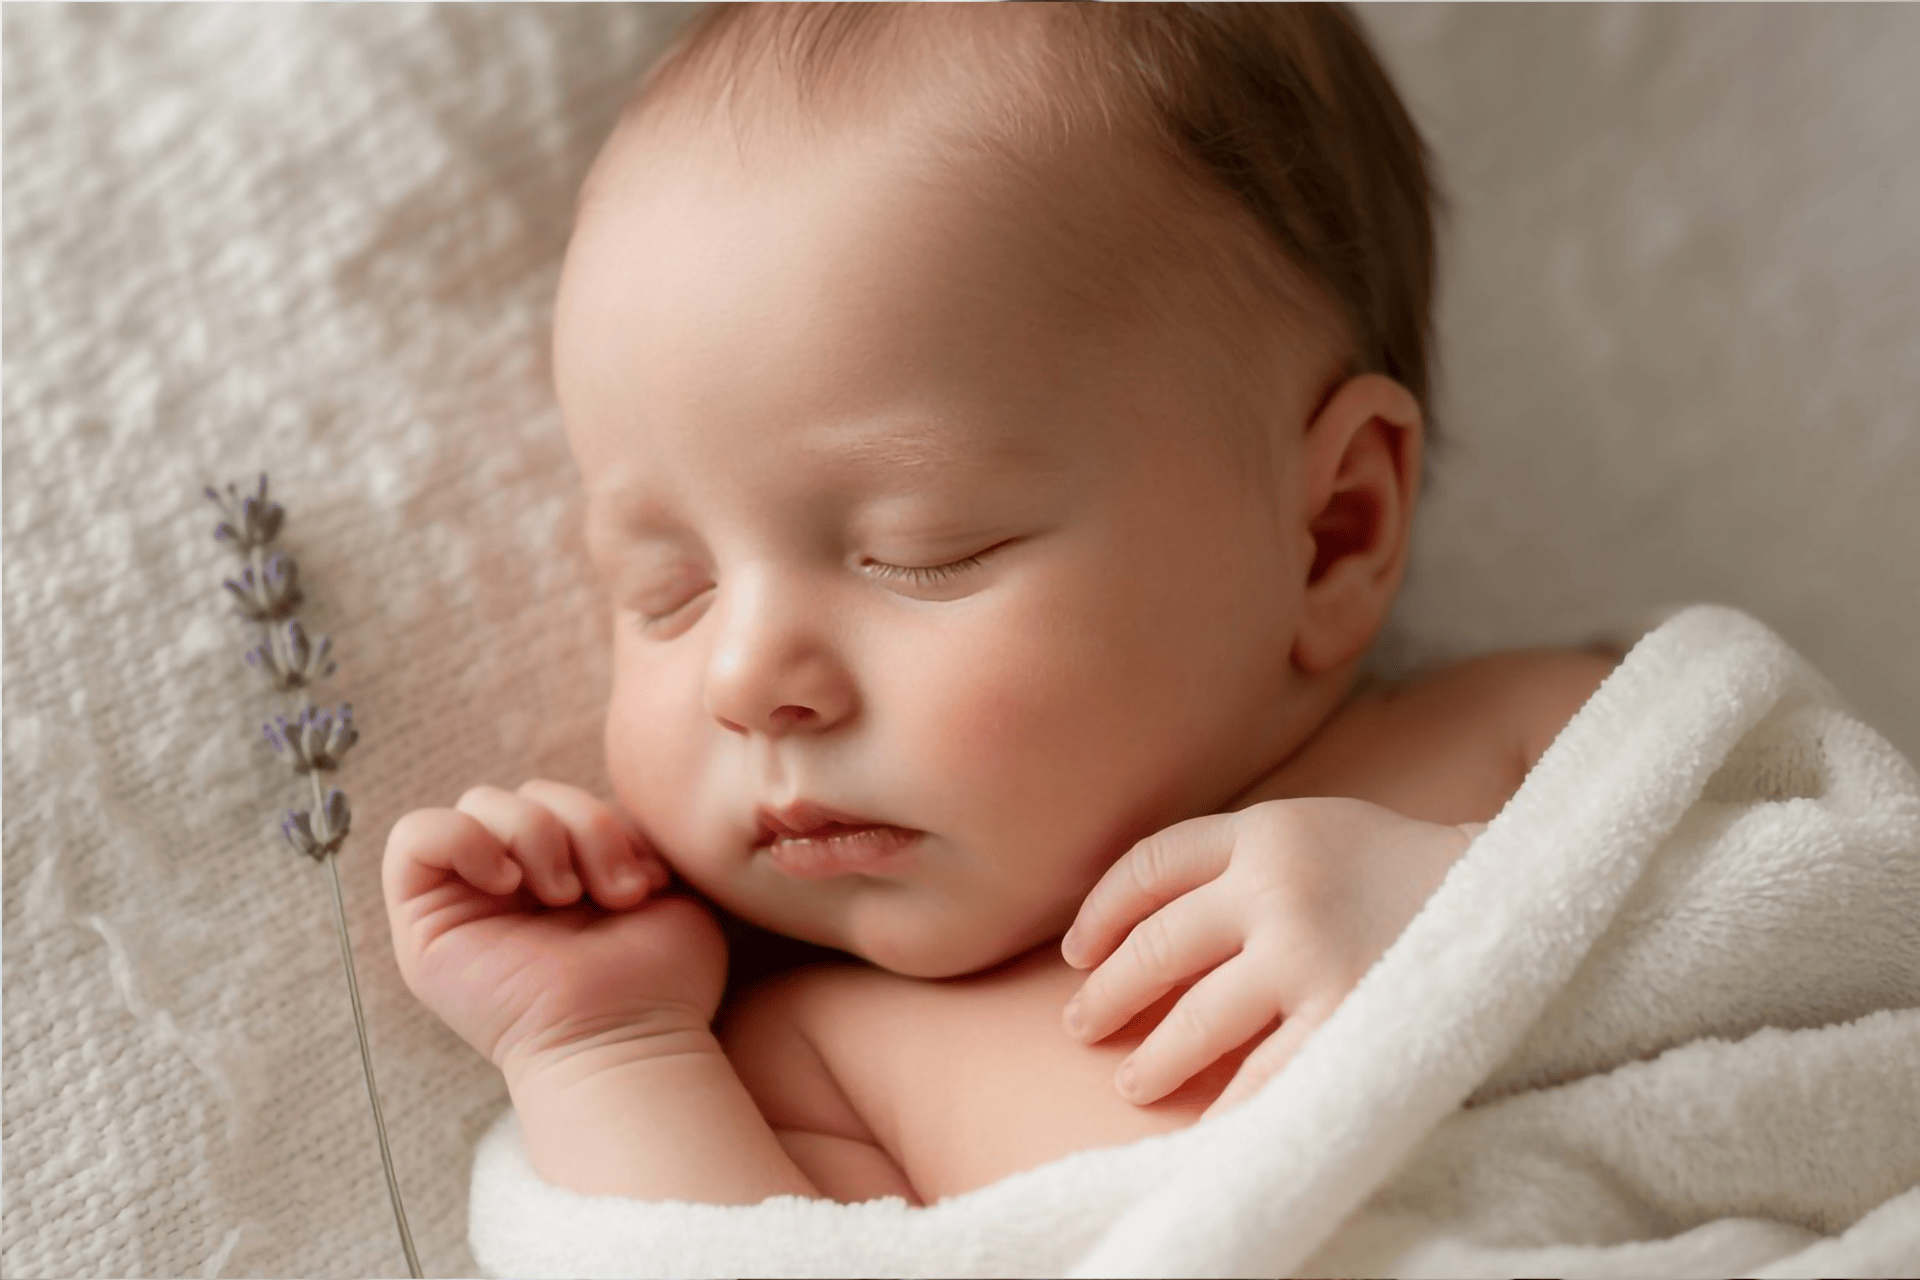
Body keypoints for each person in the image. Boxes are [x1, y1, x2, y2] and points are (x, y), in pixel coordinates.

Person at [383, 2, 1615, 1207]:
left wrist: (1474, 916)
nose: (745, 673)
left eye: (923, 549)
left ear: (1334, 532)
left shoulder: (1527, 751)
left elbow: (1798, 908)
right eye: (668, 590)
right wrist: (605, 1046)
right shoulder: (818, 1057)